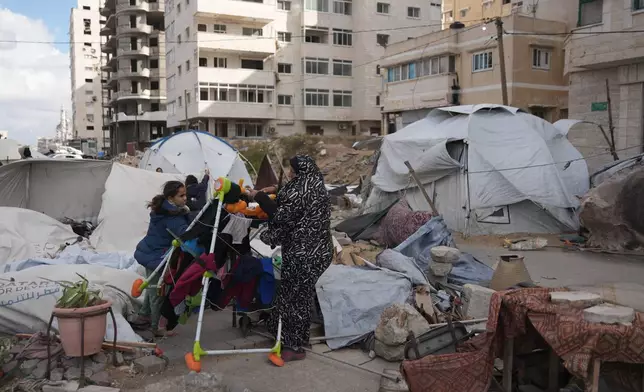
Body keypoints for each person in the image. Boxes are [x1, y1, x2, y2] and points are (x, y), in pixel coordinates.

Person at [254, 155, 332, 362]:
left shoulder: (297, 191)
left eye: (291, 170)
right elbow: (298, 209)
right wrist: (274, 192)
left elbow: (282, 218)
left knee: (294, 298)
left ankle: (293, 347)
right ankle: (291, 335)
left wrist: (260, 200)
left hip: (303, 254)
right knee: (299, 295)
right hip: (320, 251)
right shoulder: (316, 185)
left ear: (297, 172)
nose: (289, 174)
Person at [134, 181, 191, 337]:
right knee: (157, 293)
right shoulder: (172, 217)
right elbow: (185, 233)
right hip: (155, 255)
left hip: (149, 251)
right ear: (171, 198)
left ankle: (143, 316)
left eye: (185, 194)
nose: (185, 198)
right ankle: (155, 328)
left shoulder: (164, 209)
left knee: (151, 286)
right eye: (182, 195)